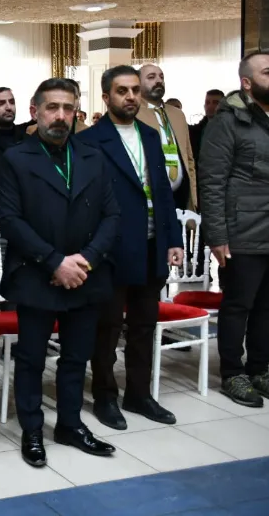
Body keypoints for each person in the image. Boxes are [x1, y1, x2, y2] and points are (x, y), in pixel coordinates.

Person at [0, 77, 119, 468]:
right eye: (53, 107)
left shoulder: (92, 156)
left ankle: (70, 424)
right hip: (37, 274)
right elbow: (9, 219)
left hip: (85, 273)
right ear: (35, 112)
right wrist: (54, 262)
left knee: (76, 357)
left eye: (69, 108)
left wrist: (85, 261)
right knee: (31, 359)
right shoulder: (16, 158)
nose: (61, 116)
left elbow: (112, 215)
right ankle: (32, 428)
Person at [78, 66, 182, 430]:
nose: (131, 97)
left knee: (144, 325)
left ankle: (139, 394)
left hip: (152, 243)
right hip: (112, 247)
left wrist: (173, 239)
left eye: (135, 90)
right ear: (106, 97)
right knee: (107, 327)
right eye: (122, 91)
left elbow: (163, 191)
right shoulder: (90, 140)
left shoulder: (150, 136)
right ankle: (105, 396)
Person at [199, 50, 269, 408]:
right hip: (242, 229)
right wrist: (217, 236)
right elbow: (212, 182)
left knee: (266, 306)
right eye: (267, 72)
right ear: (247, 82)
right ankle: (232, 372)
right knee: (238, 304)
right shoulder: (227, 121)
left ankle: (259, 368)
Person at [137, 64, 197, 212]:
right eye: (151, 77)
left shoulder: (177, 114)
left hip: (180, 197)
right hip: (148, 198)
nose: (158, 80)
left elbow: (189, 159)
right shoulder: (133, 114)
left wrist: (193, 198)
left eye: (161, 77)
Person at [189, 89, 225, 164]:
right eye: (207, 102)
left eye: (215, 102)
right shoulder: (194, 132)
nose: (210, 106)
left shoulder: (232, 130)